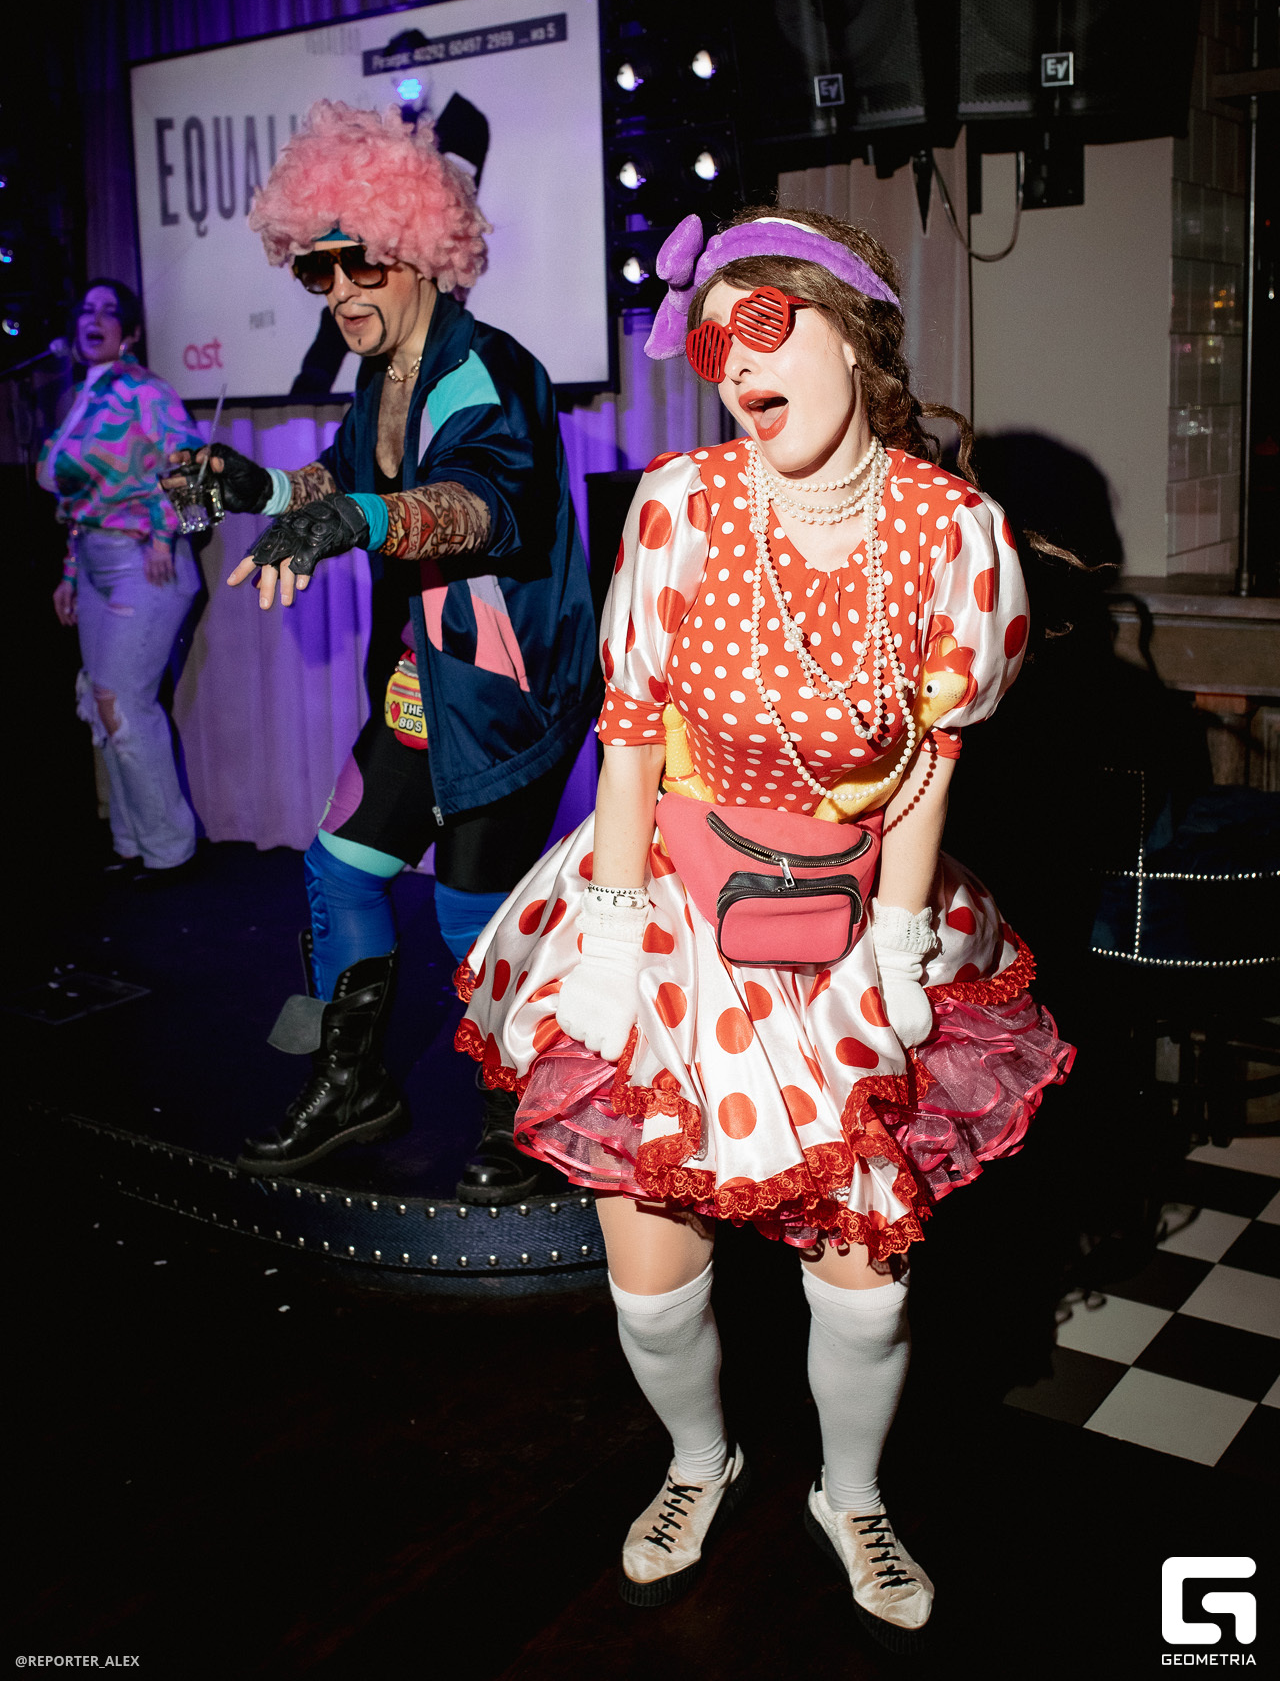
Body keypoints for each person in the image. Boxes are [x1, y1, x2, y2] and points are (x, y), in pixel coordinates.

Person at [454, 208, 1074, 1650]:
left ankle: (849, 1497)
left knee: (866, 1297)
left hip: (851, 919)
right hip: (671, 909)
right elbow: (628, 727)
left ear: (853, 333)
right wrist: (612, 933)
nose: (731, 365)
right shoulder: (679, 503)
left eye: (763, 326)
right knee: (650, 1283)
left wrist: (902, 944)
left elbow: (929, 759)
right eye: (709, 341)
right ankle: (699, 1463)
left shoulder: (953, 533)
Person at [178, 101, 599, 1199]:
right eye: (316, 272)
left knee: (472, 915)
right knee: (341, 870)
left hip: (506, 691)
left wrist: (356, 520)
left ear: (418, 247)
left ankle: (521, 1109)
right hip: (420, 684)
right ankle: (355, 1083)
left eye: (357, 262)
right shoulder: (379, 376)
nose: (339, 292)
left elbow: (481, 503)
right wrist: (260, 489)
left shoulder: (491, 370)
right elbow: (344, 480)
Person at [38, 279, 203, 876]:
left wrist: (164, 535)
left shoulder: (145, 390)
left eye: (110, 312)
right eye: (87, 309)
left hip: (143, 560)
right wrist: (68, 573)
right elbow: (80, 501)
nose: (95, 318)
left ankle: (170, 851)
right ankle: (132, 844)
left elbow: (185, 463)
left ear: (130, 332)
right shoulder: (79, 397)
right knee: (98, 700)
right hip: (92, 563)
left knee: (122, 703)